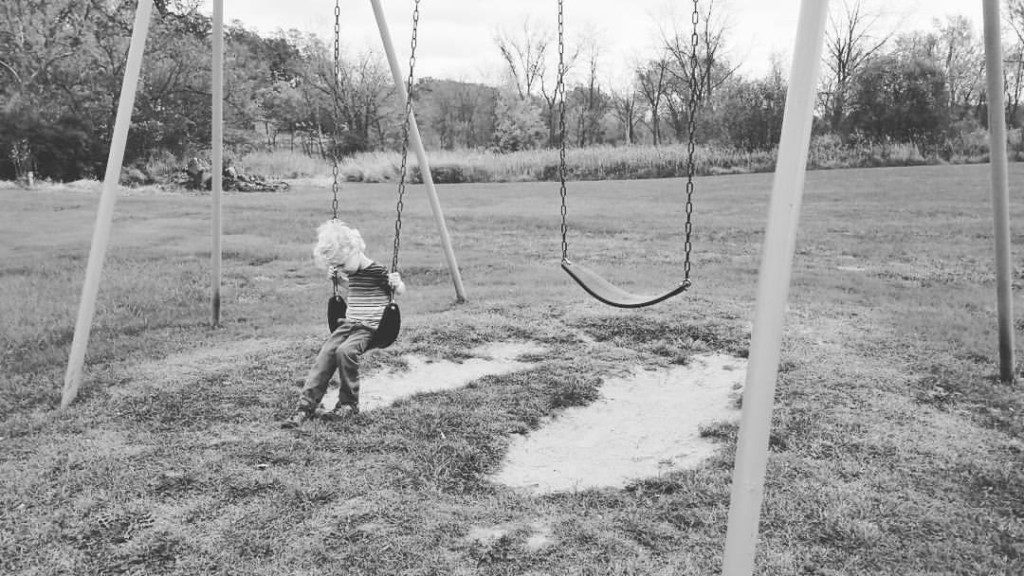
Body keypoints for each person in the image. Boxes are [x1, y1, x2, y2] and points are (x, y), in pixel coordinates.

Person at [282, 220, 405, 428]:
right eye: (335, 266)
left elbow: (399, 291)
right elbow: (351, 285)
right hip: (348, 324)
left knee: (345, 352)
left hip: (369, 328)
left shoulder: (377, 271)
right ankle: (305, 406)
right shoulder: (351, 270)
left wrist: (397, 283)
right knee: (326, 352)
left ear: (355, 250)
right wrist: (337, 280)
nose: (340, 269)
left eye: (340, 264)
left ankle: (349, 404)